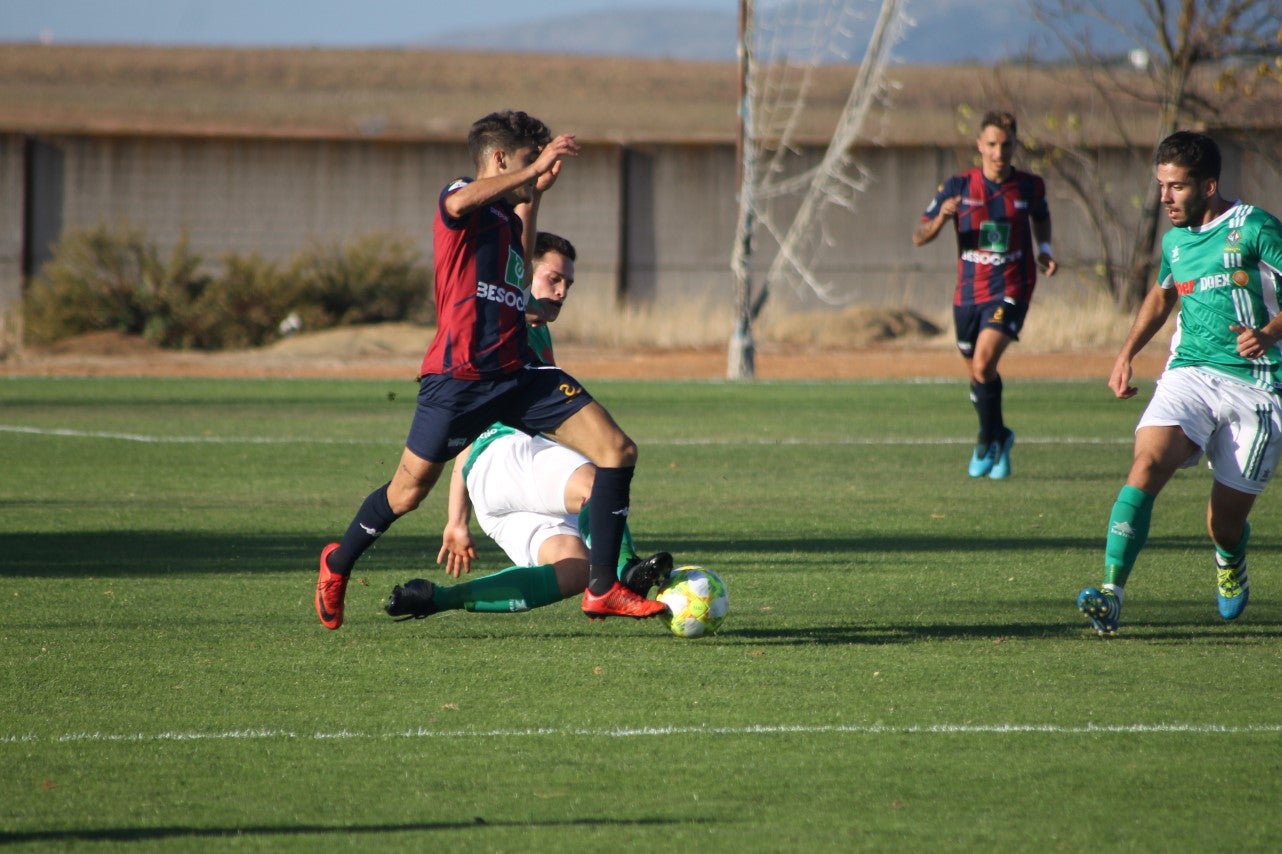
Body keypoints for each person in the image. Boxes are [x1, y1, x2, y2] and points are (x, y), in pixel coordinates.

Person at [314, 110, 666, 629]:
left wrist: (536, 192)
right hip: (458, 380)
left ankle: (603, 587)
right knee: (406, 494)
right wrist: (529, 175)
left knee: (618, 450)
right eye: (527, 159)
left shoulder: (503, 219)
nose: (535, 167)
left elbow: (518, 266)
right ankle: (337, 563)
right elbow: (458, 201)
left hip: (519, 375)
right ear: (499, 160)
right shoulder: (461, 196)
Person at [382, 232, 673, 620]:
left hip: (495, 490)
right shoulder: (505, 327)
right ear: (520, 278)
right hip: (509, 457)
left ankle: (434, 598)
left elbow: (468, 427)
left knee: (575, 571)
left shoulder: (538, 332)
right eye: (553, 278)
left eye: (568, 283)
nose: (562, 291)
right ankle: (625, 573)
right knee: (599, 479)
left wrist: (457, 519)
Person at [1077, 130, 1282, 636]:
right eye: (1161, 186)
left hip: (1257, 389)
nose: (1165, 198)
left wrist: (1269, 333)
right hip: (1188, 374)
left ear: (1209, 186)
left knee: (1223, 522)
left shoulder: (1255, 228)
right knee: (1146, 464)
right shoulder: (1175, 242)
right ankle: (1111, 595)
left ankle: (1230, 555)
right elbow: (1162, 295)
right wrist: (1126, 355)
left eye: (1177, 187)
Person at [912, 110, 1057, 479]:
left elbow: (1041, 215)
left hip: (1012, 288)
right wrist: (942, 219)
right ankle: (1001, 434)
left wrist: (1045, 249)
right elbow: (918, 235)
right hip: (967, 295)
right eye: (991, 144)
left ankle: (984, 439)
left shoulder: (1028, 186)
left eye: (1005, 145)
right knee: (980, 374)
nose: (998, 152)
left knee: (982, 363)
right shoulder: (957, 187)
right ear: (979, 145)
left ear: (1014, 146)